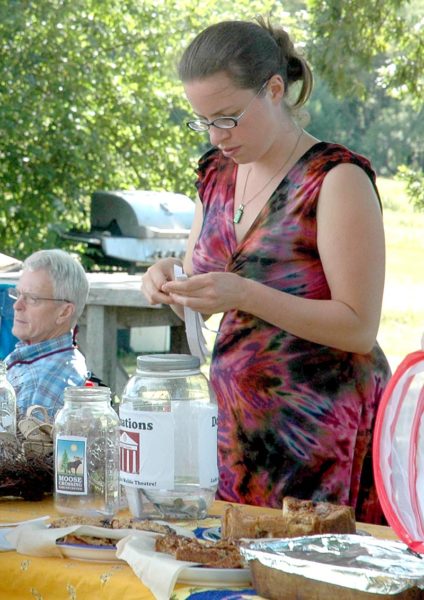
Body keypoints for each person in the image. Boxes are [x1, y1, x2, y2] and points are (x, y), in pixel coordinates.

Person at [141, 18, 391, 523]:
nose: (216, 135)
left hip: (324, 437)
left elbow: (359, 327)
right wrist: (170, 277)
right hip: (238, 436)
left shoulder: (335, 178)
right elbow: (206, 278)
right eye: (203, 120)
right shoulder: (213, 175)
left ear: (275, 89)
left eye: (229, 118)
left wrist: (244, 294)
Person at [5, 249, 89, 420]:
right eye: (18, 294)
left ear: (64, 312)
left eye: (32, 298)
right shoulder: (32, 357)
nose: (17, 306)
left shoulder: (50, 380)